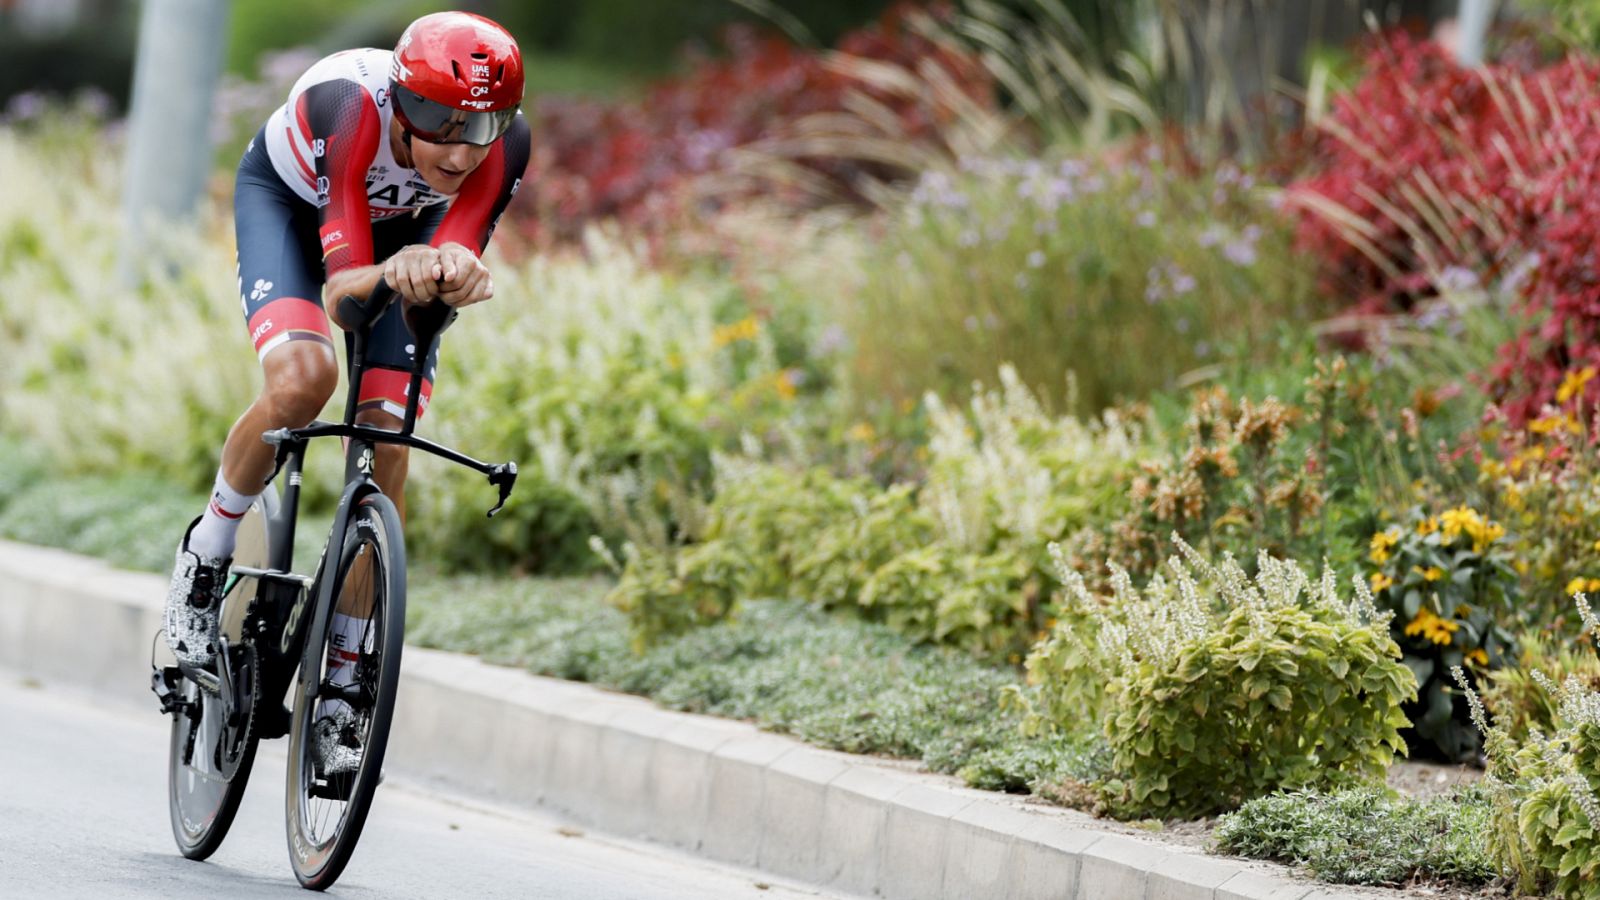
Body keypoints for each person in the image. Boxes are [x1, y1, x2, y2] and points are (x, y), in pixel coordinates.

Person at [163, 11, 531, 777]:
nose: (461, 149)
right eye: (440, 123)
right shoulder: (351, 107)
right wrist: (405, 268)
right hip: (296, 215)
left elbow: (456, 246)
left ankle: (341, 683)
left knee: (387, 427)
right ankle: (207, 556)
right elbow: (343, 296)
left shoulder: (503, 148)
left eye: (483, 127)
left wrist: (458, 268)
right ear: (402, 103)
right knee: (307, 378)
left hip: (403, 237)